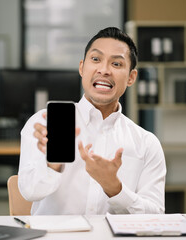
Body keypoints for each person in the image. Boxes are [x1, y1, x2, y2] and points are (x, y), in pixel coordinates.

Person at [18, 27, 166, 215]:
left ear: (131, 77)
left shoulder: (146, 143)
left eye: (117, 64)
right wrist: (53, 165)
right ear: (82, 67)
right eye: (96, 59)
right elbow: (29, 192)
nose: (104, 70)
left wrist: (115, 189)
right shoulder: (44, 123)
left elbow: (155, 214)